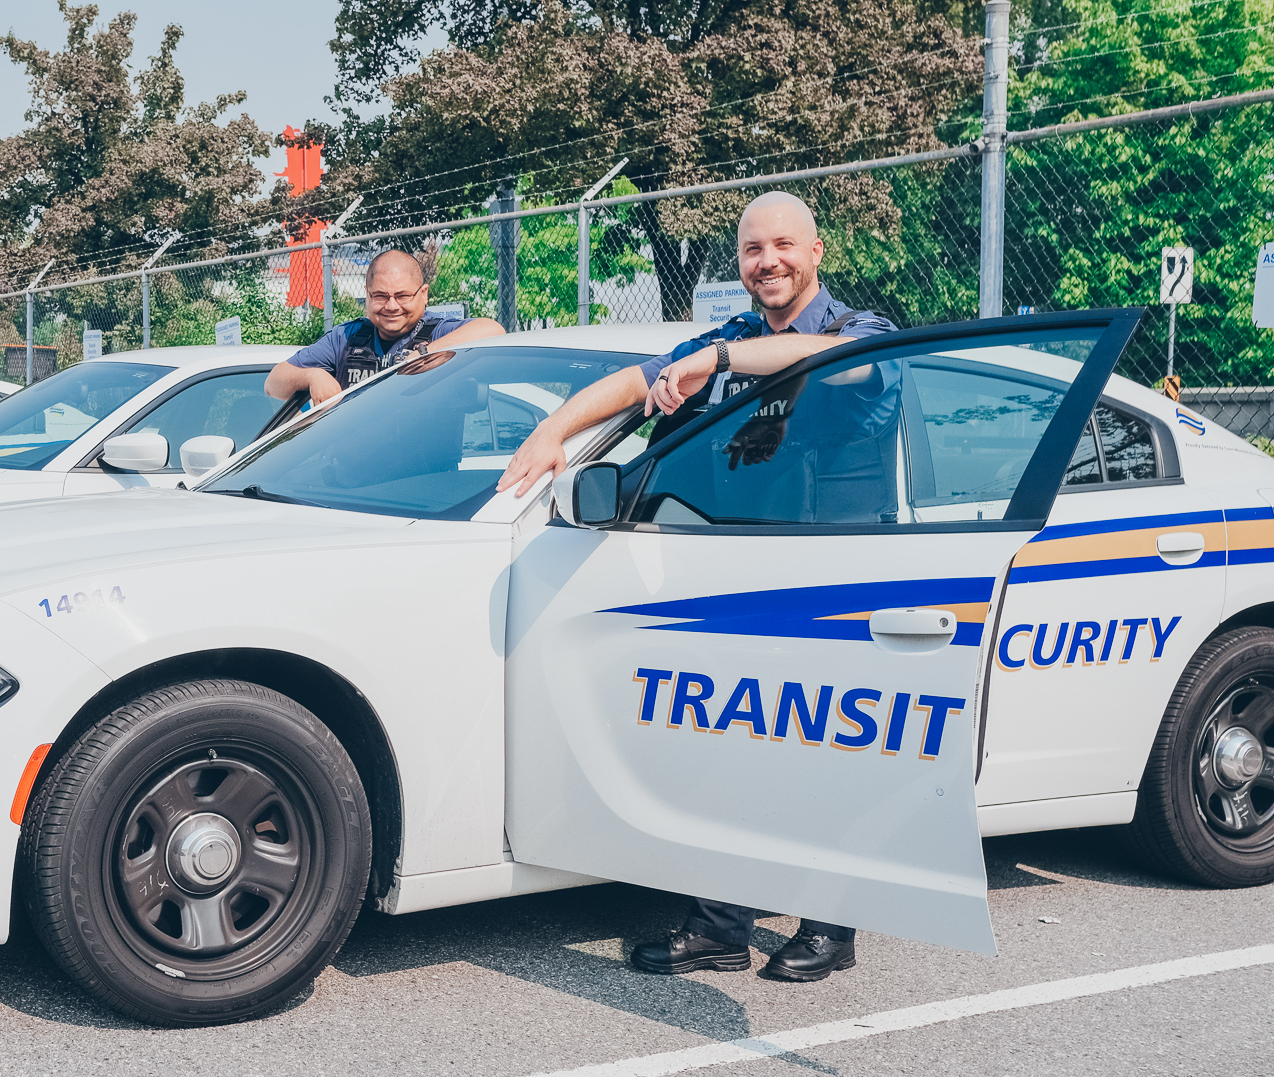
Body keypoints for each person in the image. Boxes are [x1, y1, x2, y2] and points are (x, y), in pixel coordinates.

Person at [495, 190, 898, 984]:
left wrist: (713, 361)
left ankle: (832, 923)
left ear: (817, 253)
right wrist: (553, 431)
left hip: (839, 583)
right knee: (736, 750)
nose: (768, 261)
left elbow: (827, 368)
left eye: (784, 245)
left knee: (826, 754)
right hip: (742, 574)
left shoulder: (863, 331)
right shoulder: (736, 333)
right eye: (753, 249)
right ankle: (721, 924)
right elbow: (628, 383)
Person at [265, 250, 505, 403]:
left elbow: (493, 329)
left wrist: (426, 353)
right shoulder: (345, 338)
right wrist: (312, 375)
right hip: (349, 479)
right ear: (367, 296)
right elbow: (273, 384)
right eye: (380, 296)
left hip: (425, 477)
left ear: (424, 295)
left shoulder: (439, 332)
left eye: (402, 296)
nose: (391, 306)